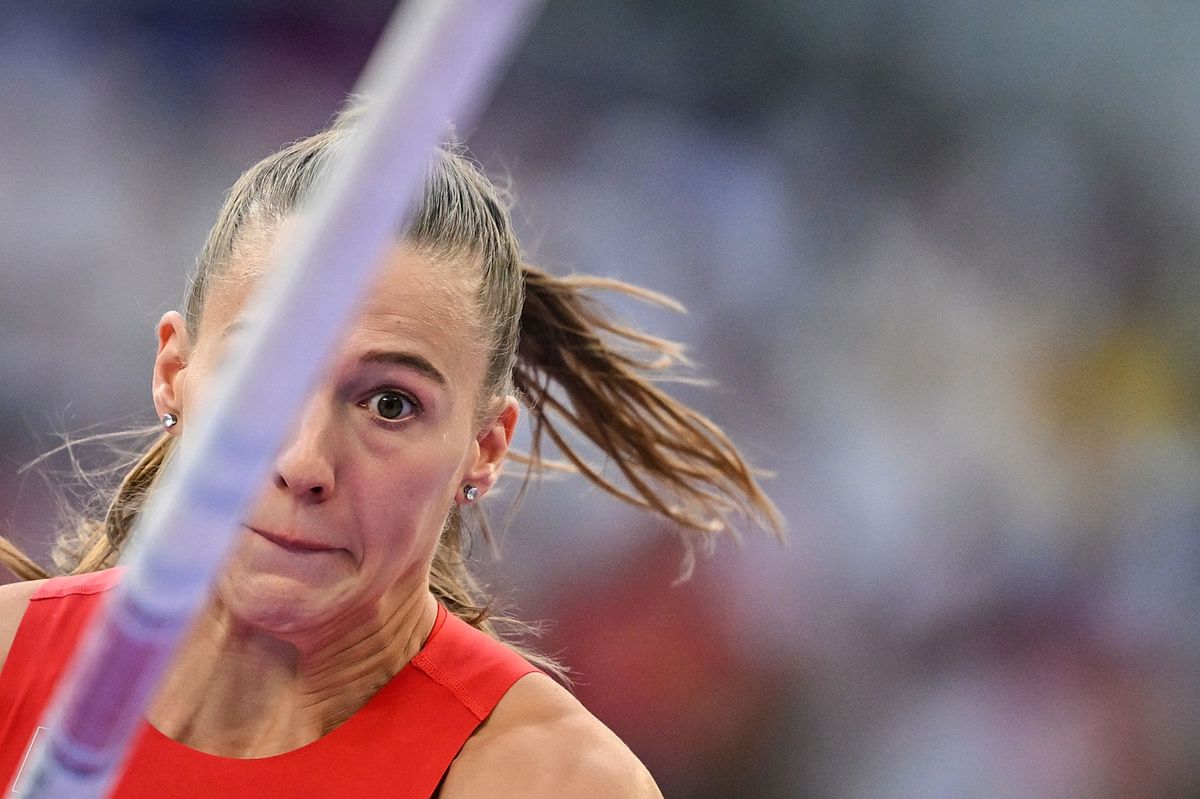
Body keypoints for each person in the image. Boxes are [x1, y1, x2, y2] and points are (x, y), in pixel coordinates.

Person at [0, 114, 782, 797]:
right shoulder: (8, 668)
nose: (304, 460)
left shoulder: (547, 781)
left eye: (390, 404)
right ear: (175, 372)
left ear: (485, 448)